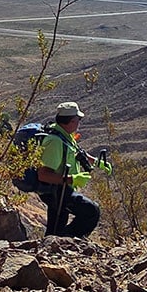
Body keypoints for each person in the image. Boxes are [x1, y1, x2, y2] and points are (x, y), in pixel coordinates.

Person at [37, 101, 108, 238]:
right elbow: (43, 174)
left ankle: (52, 246)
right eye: (78, 120)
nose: (79, 123)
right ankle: (66, 242)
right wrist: (71, 179)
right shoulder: (55, 142)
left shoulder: (64, 134)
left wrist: (97, 162)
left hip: (62, 189)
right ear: (69, 122)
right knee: (91, 211)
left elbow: (76, 151)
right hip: (56, 191)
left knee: (56, 227)